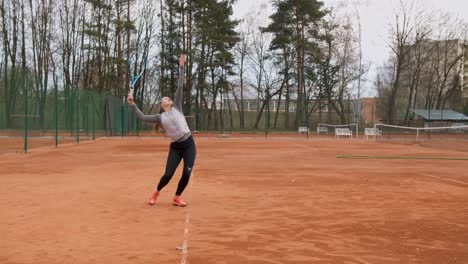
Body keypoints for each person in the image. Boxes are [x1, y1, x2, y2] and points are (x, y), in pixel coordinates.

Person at [127, 54, 195, 207]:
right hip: (176, 147)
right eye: (165, 98)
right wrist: (132, 105)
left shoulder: (177, 105)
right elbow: (143, 117)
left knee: (186, 173)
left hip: (189, 144)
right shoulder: (159, 117)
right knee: (168, 174)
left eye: (168, 97)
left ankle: (177, 197)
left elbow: (180, 86)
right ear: (161, 104)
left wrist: (182, 67)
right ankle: (155, 192)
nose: (167, 98)